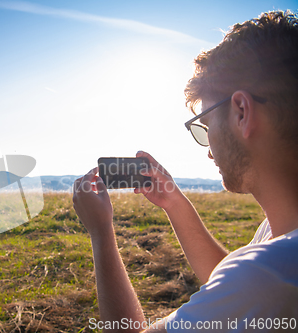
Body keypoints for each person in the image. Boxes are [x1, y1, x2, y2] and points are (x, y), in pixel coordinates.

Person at [72, 10, 298, 332]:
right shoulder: (278, 238)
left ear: (242, 112)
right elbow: (231, 282)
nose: (208, 149)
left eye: (204, 125)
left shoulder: (267, 274)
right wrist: (174, 203)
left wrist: (101, 233)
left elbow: (247, 282)